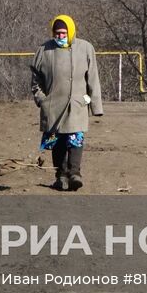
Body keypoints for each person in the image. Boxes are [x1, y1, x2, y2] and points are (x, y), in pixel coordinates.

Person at [30, 14, 103, 191]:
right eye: (57, 33)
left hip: (77, 105)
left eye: (63, 33)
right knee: (57, 142)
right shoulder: (44, 50)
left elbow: (93, 78)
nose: (60, 37)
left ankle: (75, 174)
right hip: (53, 107)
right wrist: (42, 100)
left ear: (70, 31)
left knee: (76, 139)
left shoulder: (85, 48)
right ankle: (61, 176)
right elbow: (35, 81)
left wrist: (94, 105)